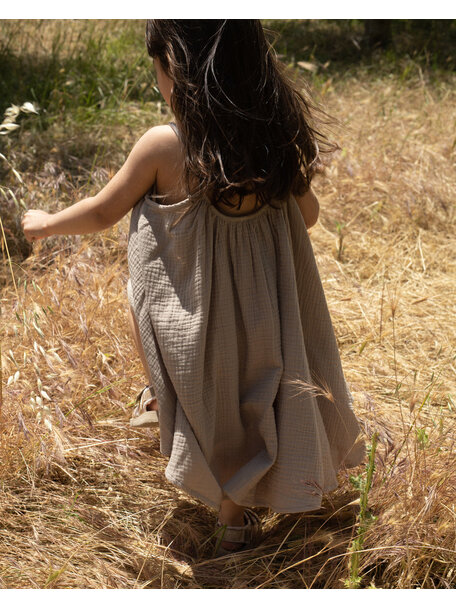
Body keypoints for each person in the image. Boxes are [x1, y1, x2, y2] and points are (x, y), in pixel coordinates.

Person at [22, 19, 364, 557]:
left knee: (149, 305)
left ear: (175, 68)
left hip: (196, 329)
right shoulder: (273, 141)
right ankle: (240, 517)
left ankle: (163, 394)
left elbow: (104, 211)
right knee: (257, 402)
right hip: (269, 314)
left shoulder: (165, 145)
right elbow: (311, 217)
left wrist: (44, 222)